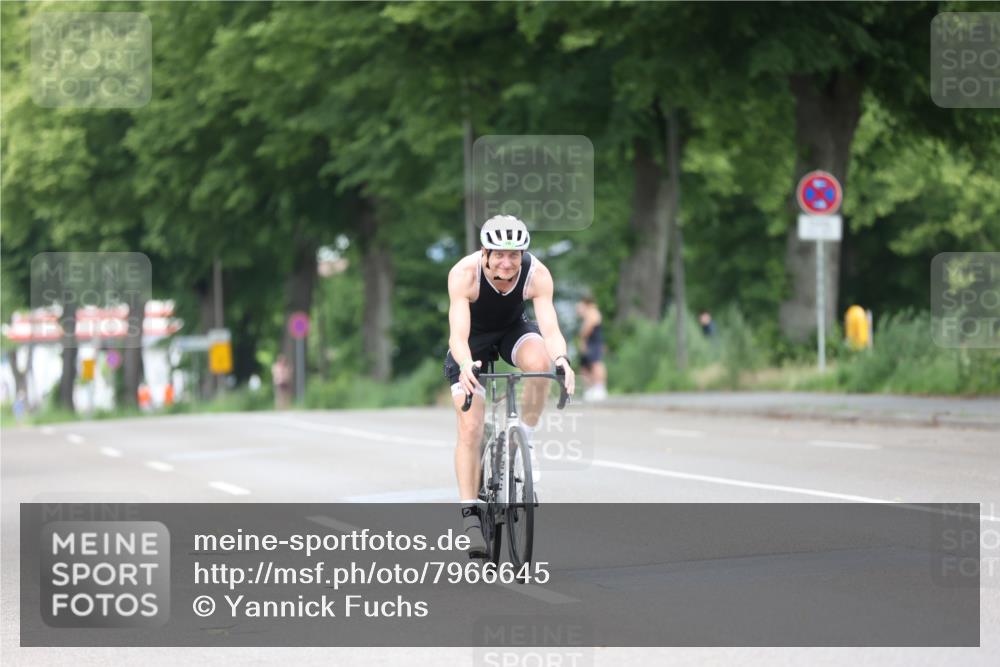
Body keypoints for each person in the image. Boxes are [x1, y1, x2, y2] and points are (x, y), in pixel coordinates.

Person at [444, 215, 575, 557]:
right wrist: (464, 365)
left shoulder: (537, 274)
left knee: (540, 362)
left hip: (512, 330)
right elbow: (457, 335)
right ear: (485, 253)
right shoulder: (464, 275)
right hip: (471, 343)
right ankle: (470, 514)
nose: (507, 262)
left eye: (514, 254)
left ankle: (524, 441)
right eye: (499, 254)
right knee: (471, 426)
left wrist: (562, 360)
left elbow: (550, 327)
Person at [576, 295, 607, 401]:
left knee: (596, 364)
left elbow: (588, 328)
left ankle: (599, 387)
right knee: (585, 366)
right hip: (589, 342)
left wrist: (582, 337)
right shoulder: (587, 314)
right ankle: (591, 388)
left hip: (594, 342)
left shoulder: (593, 312)